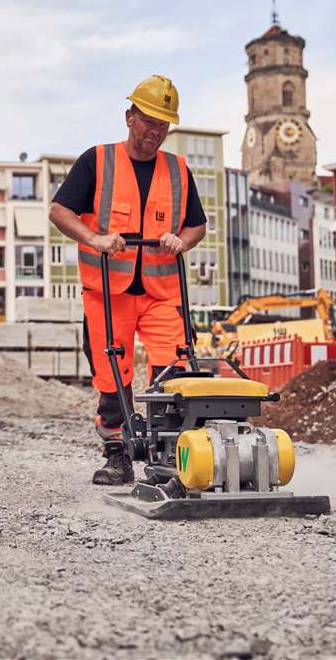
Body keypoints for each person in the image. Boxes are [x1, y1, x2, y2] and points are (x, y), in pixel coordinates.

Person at [48, 75, 207, 486]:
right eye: (149, 120)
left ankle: (168, 457)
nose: (155, 131)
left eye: (163, 124)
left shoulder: (177, 170)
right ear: (129, 116)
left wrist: (180, 241)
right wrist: (95, 238)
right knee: (111, 377)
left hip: (161, 292)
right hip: (108, 292)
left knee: (172, 373)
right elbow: (60, 211)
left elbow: (197, 227)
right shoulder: (96, 161)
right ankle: (117, 457)